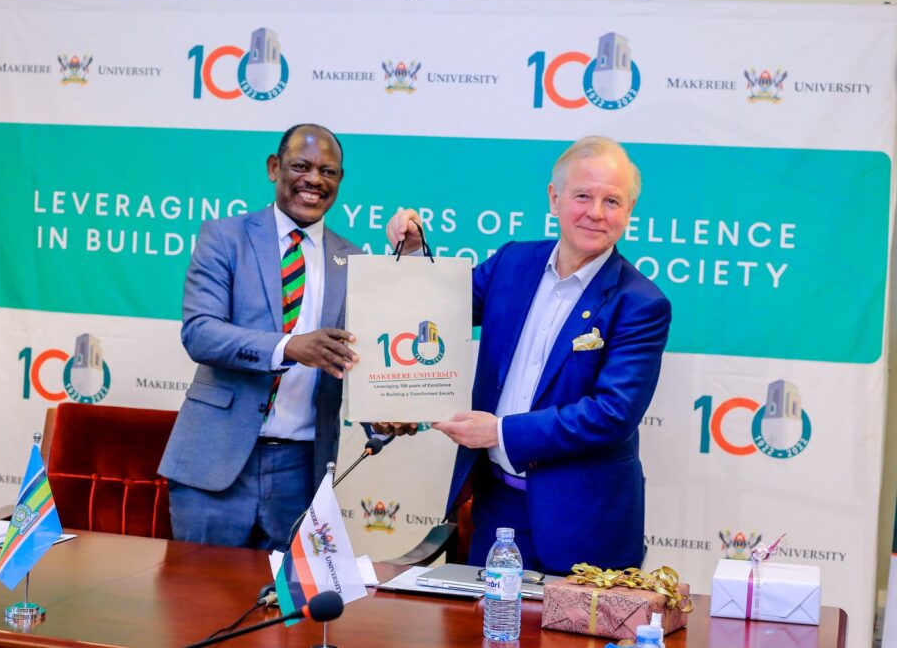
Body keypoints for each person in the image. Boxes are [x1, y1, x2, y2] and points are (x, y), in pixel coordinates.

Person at [382, 136, 671, 574]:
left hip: (585, 523)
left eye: (612, 200)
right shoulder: (512, 263)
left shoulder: (641, 303)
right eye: (582, 196)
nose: (596, 212)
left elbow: (611, 414)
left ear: (629, 211)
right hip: (497, 510)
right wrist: (414, 255)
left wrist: (500, 432)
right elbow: (437, 314)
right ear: (554, 199)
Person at [159, 124, 363, 550]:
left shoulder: (355, 261)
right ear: (274, 168)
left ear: (339, 181)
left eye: (328, 171)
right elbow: (200, 332)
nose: (314, 180)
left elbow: (365, 357)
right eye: (301, 166)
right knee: (197, 606)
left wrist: (391, 408)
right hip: (214, 463)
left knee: (285, 611)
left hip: (301, 470)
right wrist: (288, 346)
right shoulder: (224, 237)